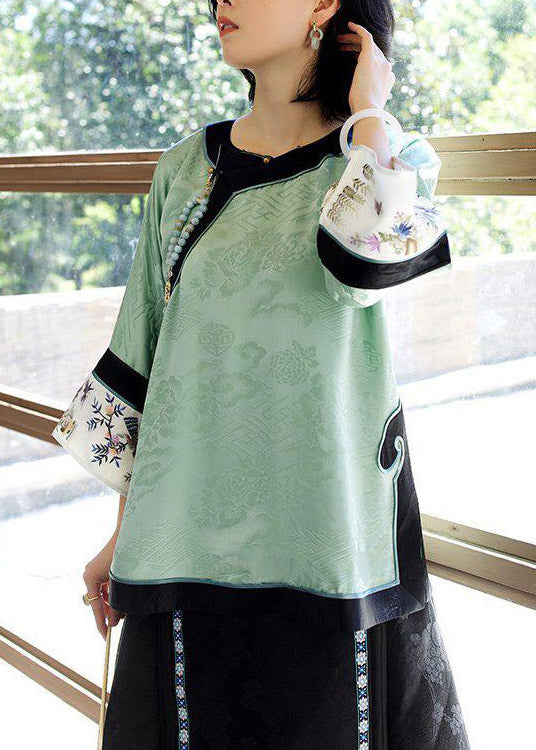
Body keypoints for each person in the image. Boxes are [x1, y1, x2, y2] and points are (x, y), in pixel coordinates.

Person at [53, 0, 470, 747]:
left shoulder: (385, 157)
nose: (222, 2)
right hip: (181, 548)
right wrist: (124, 536)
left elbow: (368, 261)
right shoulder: (186, 168)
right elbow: (146, 360)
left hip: (328, 542)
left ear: (324, 5)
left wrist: (371, 113)